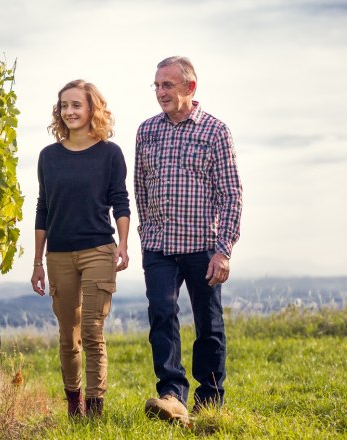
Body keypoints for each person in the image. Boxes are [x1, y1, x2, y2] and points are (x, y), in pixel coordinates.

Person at [134, 56, 243, 425]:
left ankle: (209, 401)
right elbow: (141, 187)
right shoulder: (146, 131)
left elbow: (231, 194)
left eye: (168, 85)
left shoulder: (215, 131)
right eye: (157, 86)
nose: (161, 92)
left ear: (190, 88)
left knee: (208, 324)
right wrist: (146, 233)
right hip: (159, 246)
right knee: (162, 315)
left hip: (203, 248)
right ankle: (171, 395)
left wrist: (223, 250)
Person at [31, 80, 130, 418]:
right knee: (67, 335)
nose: (69, 111)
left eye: (76, 105)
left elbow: (120, 201)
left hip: (98, 250)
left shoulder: (110, 154)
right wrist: (37, 262)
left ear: (92, 109)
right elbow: (43, 208)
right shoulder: (49, 156)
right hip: (57, 255)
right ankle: (74, 404)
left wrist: (124, 245)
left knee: (91, 330)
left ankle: (95, 405)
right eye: (64, 106)